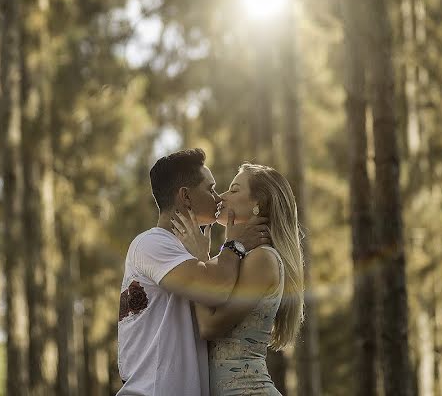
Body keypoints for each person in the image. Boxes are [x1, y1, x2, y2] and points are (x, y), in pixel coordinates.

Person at [117, 148, 271, 396]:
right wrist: (236, 245)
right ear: (186, 196)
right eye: (210, 189)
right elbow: (215, 290)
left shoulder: (182, 254)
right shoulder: (152, 244)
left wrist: (208, 257)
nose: (218, 198)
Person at [172, 163, 304, 396]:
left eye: (234, 190)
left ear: (258, 205)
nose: (221, 196)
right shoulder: (239, 258)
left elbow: (210, 327)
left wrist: (198, 258)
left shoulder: (263, 258)